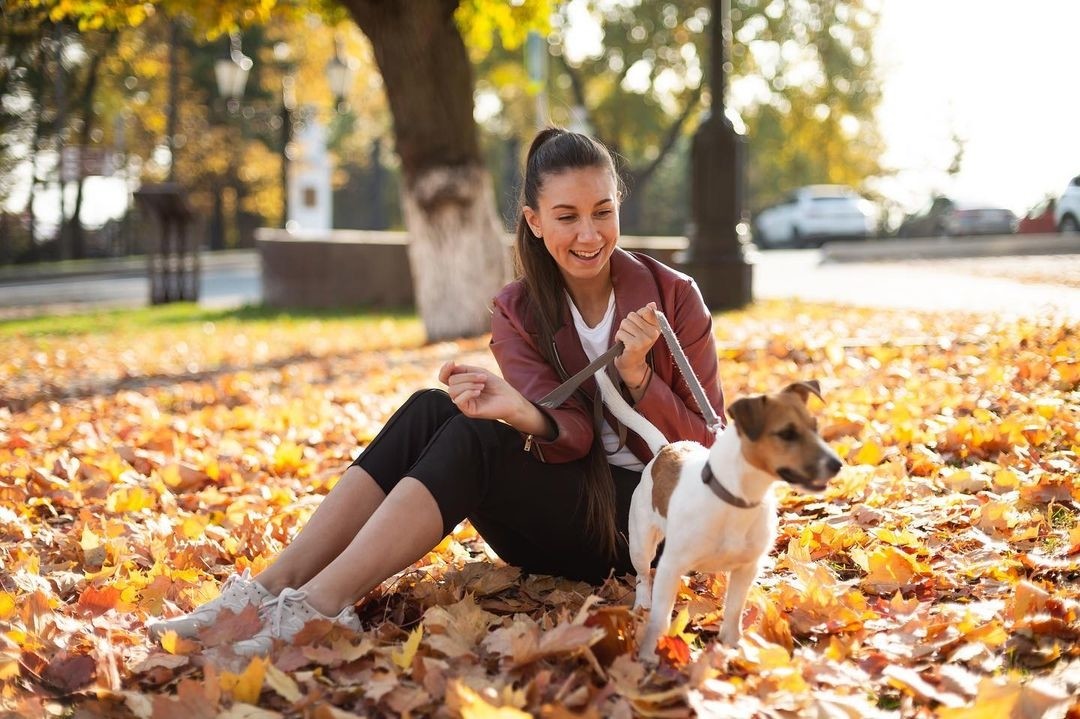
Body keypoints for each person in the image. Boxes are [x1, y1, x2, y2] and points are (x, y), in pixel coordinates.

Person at [147, 128, 725, 657]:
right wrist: (519, 409)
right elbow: (569, 437)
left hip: (641, 528)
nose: (589, 234)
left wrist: (638, 377)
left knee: (475, 440)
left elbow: (708, 452)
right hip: (561, 510)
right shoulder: (519, 309)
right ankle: (267, 592)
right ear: (534, 220)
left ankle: (316, 607)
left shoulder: (673, 297)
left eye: (603, 212)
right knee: (431, 408)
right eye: (567, 216)